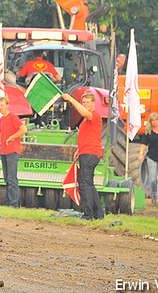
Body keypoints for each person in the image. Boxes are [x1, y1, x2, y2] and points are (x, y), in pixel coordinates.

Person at [62, 92, 104, 220]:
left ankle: (88, 215)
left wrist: (71, 100)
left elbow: (85, 113)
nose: (85, 104)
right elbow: (87, 135)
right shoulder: (87, 119)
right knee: (89, 184)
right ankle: (98, 214)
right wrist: (79, 150)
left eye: (87, 102)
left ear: (93, 103)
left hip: (90, 153)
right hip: (87, 152)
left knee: (85, 184)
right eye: (83, 102)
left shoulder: (94, 115)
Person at [0, 96, 28, 208]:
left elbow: (23, 129)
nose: (1, 108)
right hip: (4, 151)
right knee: (7, 178)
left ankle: (14, 204)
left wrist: (11, 137)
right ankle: (9, 203)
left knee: (11, 178)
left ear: (7, 105)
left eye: (2, 105)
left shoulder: (12, 117)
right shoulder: (2, 119)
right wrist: (2, 141)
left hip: (12, 151)